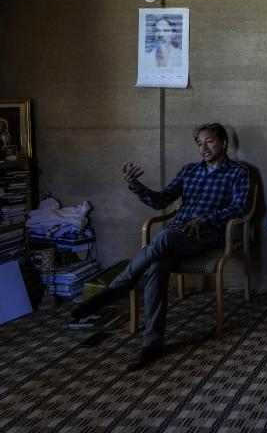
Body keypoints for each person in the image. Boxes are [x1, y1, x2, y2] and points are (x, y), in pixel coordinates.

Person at [71, 122, 250, 371]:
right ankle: (151, 344)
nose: (204, 148)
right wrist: (136, 186)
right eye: (199, 143)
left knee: (164, 237)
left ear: (223, 143)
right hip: (178, 235)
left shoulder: (238, 172)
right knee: (156, 266)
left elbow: (239, 207)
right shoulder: (189, 171)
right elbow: (161, 200)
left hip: (209, 235)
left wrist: (205, 219)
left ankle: (114, 290)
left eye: (209, 141)